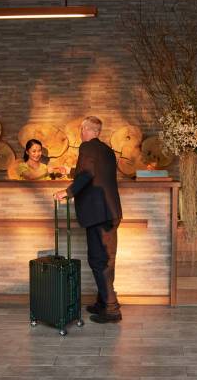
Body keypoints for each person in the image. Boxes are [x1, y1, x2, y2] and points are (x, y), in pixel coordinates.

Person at [55, 116, 123, 324]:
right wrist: (72, 171)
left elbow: (87, 175)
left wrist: (68, 192)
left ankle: (111, 309)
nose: (80, 133)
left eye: (81, 130)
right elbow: (97, 173)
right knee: (107, 259)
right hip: (111, 212)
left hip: (97, 214)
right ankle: (103, 302)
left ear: (87, 129)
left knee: (98, 260)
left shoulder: (86, 147)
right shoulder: (107, 150)